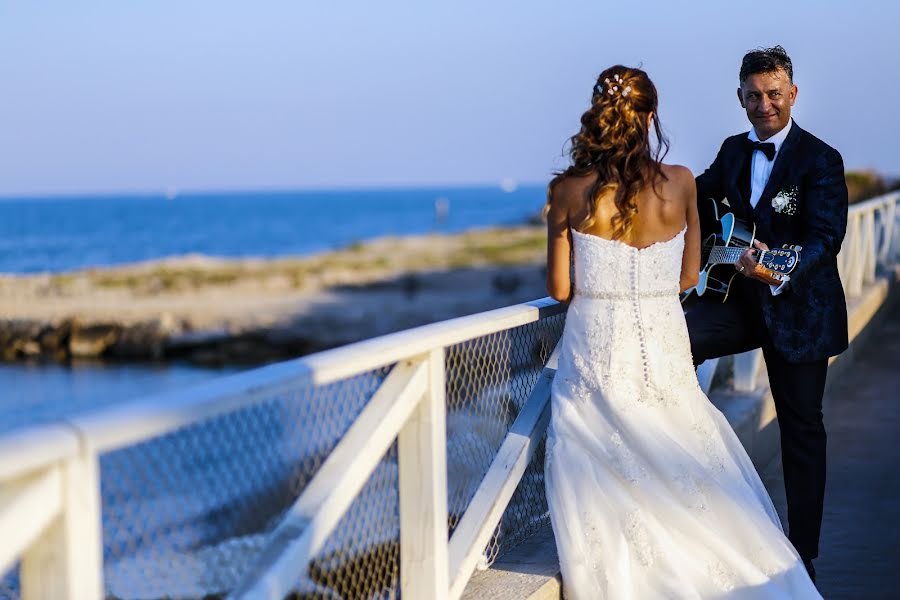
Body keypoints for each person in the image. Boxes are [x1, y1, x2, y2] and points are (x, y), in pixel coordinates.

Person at [543, 65, 821, 598]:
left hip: (596, 359)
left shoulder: (566, 191)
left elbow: (559, 290)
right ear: (651, 118)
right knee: (690, 459)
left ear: (598, 119)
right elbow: (689, 277)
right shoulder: (682, 181)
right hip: (665, 350)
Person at [687, 45, 849, 583]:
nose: (764, 106)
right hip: (735, 303)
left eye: (774, 94)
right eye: (753, 96)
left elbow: (825, 240)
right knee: (671, 341)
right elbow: (697, 198)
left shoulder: (821, 160)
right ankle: (673, 475)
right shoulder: (733, 151)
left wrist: (775, 270)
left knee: (802, 430)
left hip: (799, 310)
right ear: (740, 98)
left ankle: (802, 556)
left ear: (792, 94)